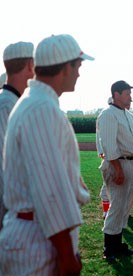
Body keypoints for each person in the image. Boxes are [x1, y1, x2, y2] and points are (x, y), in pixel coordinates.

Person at [0, 34, 93, 275]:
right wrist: (66, 254)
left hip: (34, 233)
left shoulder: (34, 102)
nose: (79, 73)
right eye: (78, 66)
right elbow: (49, 189)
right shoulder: (42, 108)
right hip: (38, 239)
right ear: (65, 67)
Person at [97, 80, 133, 261]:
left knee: (125, 206)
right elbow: (109, 146)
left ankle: (118, 244)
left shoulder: (130, 116)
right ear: (116, 94)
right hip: (118, 164)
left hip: (130, 163)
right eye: (127, 93)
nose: (130, 96)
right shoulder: (108, 115)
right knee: (116, 205)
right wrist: (118, 170)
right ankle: (109, 248)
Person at [0, 41, 34, 230]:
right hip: (11, 213)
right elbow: (4, 167)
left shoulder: (14, 102)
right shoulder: (6, 105)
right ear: (30, 65)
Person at [97, 96, 113, 219]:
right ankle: (106, 211)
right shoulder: (104, 115)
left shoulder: (125, 115)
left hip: (122, 157)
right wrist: (101, 151)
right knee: (107, 185)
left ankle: (116, 210)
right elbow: (99, 136)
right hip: (108, 156)